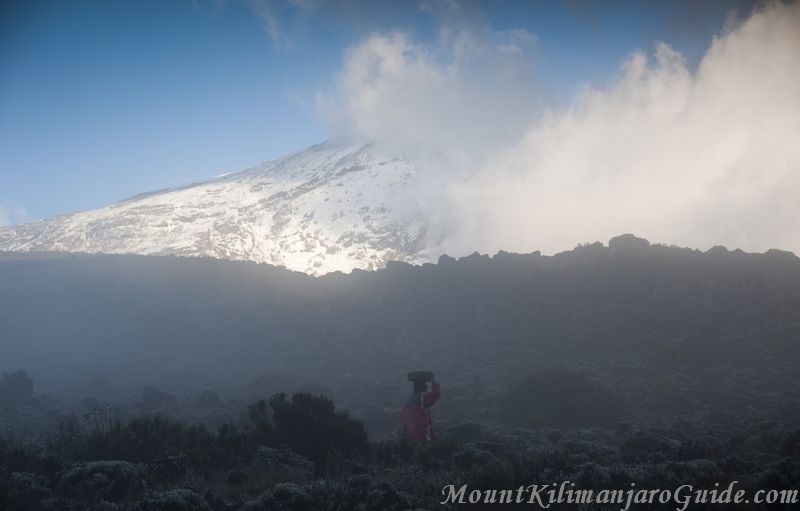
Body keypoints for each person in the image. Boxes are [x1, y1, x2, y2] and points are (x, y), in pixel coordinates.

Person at [399, 376, 441, 443]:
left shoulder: (408, 402)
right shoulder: (423, 399)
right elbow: (436, 395)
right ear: (422, 387)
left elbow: (402, 425)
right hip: (420, 435)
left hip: (410, 437)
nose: (426, 387)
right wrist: (433, 382)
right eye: (425, 385)